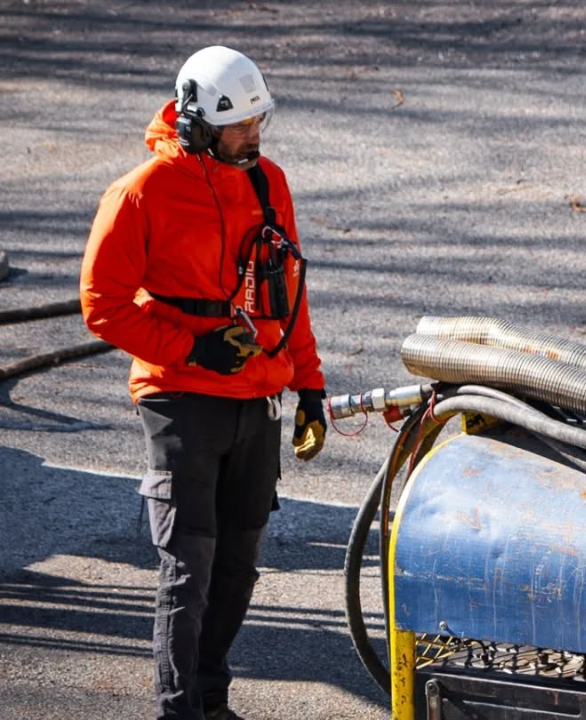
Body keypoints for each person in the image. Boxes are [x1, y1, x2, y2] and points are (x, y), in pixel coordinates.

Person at [80, 46, 327, 720]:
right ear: (196, 123)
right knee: (189, 568)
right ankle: (180, 710)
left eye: (258, 122)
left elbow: (289, 292)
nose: (253, 136)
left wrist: (310, 386)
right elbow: (101, 303)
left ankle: (212, 701)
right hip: (180, 398)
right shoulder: (141, 192)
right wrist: (190, 348)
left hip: (258, 396)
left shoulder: (268, 181)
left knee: (238, 564)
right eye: (239, 125)